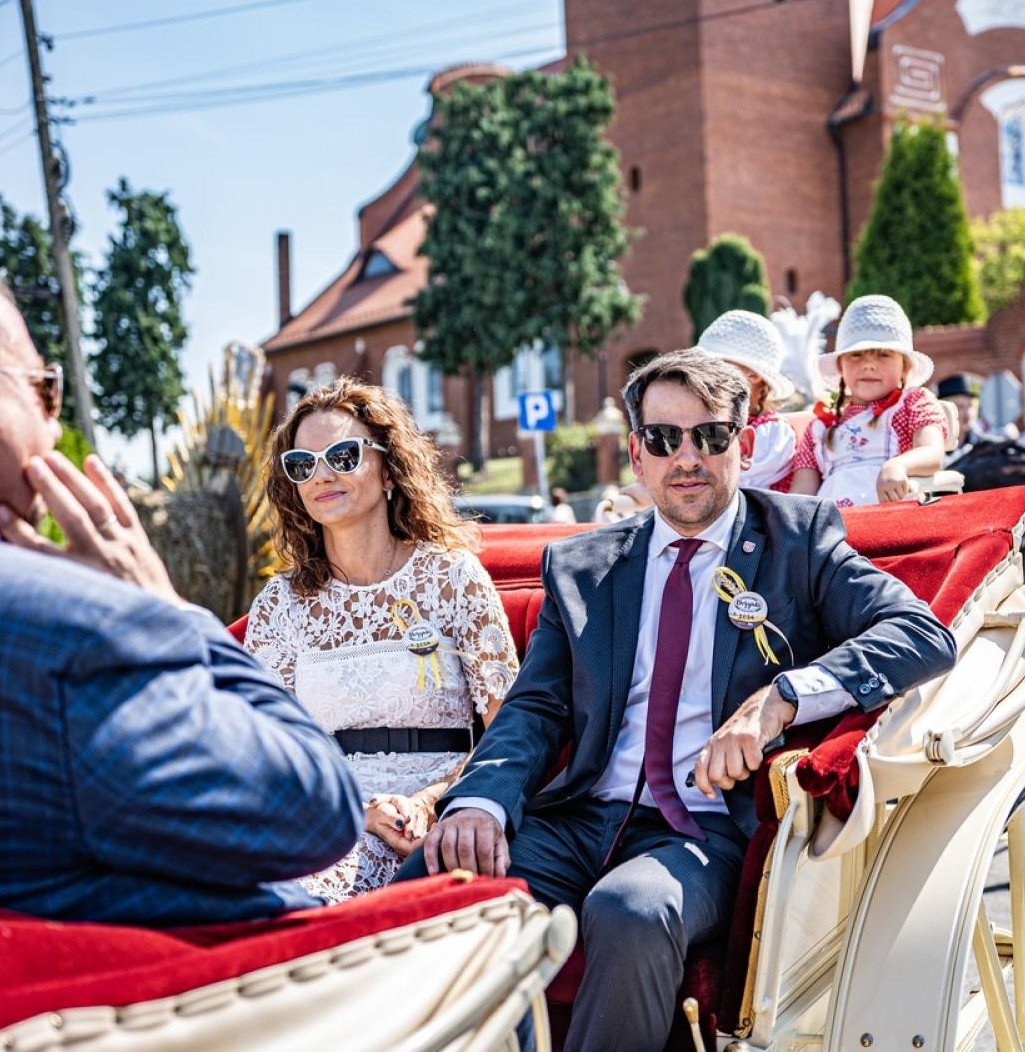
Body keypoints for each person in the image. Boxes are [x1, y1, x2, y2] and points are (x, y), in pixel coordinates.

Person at [400, 349, 957, 1051]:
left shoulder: (799, 540)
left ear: (744, 443)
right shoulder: (584, 565)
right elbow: (535, 708)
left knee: (632, 909)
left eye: (711, 436)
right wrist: (481, 799)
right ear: (637, 454)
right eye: (664, 439)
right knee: (431, 877)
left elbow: (919, 633)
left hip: (705, 830)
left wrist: (781, 699)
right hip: (577, 818)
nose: (686, 457)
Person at [0, 257, 363, 925]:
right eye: (45, 391)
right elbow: (317, 806)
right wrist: (165, 607)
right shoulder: (65, 628)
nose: (51, 427)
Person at [245, 379, 519, 903]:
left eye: (343, 455)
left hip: (437, 807)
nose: (322, 474)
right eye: (303, 464)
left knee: (298, 896)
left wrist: (431, 802)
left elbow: (509, 730)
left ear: (389, 468)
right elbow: (267, 754)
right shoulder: (279, 604)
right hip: (328, 809)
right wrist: (354, 811)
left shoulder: (452, 578)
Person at [789, 295, 949, 506]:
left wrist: (898, 466)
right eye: (856, 355)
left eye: (883, 355)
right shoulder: (821, 424)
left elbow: (933, 452)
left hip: (893, 518)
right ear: (840, 366)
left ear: (905, 366)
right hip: (831, 527)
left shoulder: (913, 402)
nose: (869, 365)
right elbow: (801, 493)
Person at [694, 309, 798, 492]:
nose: (703, 377)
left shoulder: (772, 433)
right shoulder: (705, 426)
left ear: (753, 375)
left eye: (715, 367)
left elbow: (730, 482)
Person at [938, 373, 986, 448]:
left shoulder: (981, 443)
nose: (967, 413)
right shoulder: (935, 444)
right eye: (960, 407)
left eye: (970, 406)